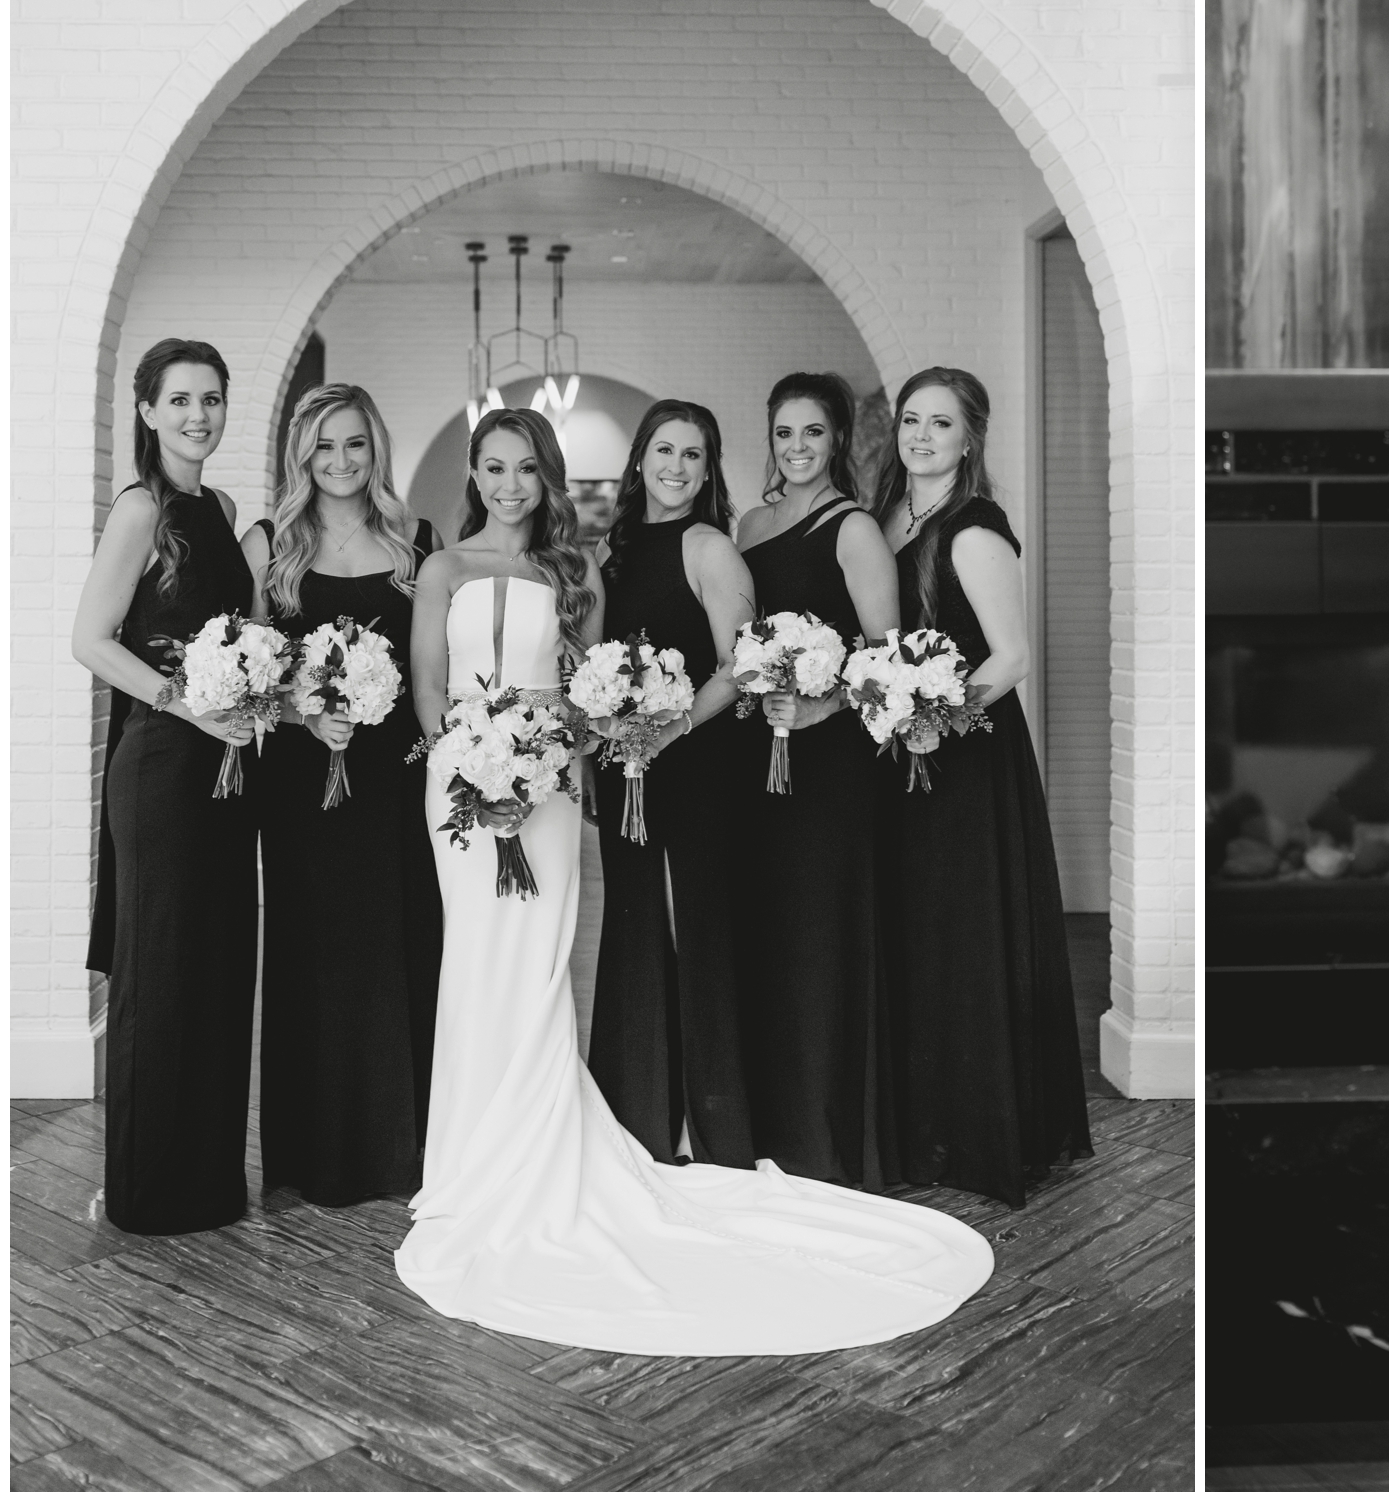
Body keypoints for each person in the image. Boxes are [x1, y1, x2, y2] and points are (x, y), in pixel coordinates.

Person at [394, 407, 990, 1355]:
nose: (510, 484)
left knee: (544, 963)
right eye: (493, 468)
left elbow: (588, 673)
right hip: (462, 784)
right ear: (474, 473)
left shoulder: (576, 569)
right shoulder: (446, 567)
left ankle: (559, 1137)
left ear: (549, 477)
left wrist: (576, 757)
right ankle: (468, 1153)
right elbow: (429, 681)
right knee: (471, 958)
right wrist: (464, 761)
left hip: (550, 775)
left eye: (526, 469)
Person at [875, 367, 1092, 1207]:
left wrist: (931, 707)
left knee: (966, 934)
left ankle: (982, 1132)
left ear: (970, 439)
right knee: (921, 935)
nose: (920, 436)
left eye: (939, 423)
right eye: (909, 421)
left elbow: (1012, 658)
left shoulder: (973, 529)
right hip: (907, 755)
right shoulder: (895, 517)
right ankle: (928, 1122)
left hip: (966, 757)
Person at [72, 338, 262, 1234]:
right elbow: (91, 639)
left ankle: (209, 1183)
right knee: (160, 975)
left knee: (218, 970)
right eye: (181, 399)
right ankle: (147, 1190)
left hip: (228, 771)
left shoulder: (221, 508)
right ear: (147, 410)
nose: (199, 415)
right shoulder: (142, 509)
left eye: (212, 399)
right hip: (160, 765)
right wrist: (186, 702)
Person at [244, 384, 443, 1206]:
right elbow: (247, 671)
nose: (339, 462)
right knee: (313, 954)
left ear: (376, 449)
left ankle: (399, 1148)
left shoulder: (417, 543)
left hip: (394, 784)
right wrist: (303, 709)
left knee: (398, 950)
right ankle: (310, 1154)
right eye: (324, 446)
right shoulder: (268, 544)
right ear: (301, 455)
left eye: (354, 444)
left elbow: (436, 668)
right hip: (300, 784)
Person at [731, 373, 902, 1187]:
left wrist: (821, 705)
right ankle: (774, 1116)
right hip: (760, 761)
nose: (797, 448)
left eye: (813, 433)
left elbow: (889, 654)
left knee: (822, 933)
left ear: (838, 441)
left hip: (831, 766)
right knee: (769, 929)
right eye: (784, 433)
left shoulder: (855, 528)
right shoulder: (752, 523)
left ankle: (830, 1130)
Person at [587, 401, 756, 1166]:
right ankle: (637, 1120)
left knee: (696, 928)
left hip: (693, 763)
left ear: (709, 467)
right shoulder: (610, 550)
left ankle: (703, 1125)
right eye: (664, 449)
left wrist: (671, 725)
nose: (677, 467)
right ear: (640, 459)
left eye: (694, 454)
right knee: (634, 925)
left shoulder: (708, 546)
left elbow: (740, 665)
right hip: (622, 765)